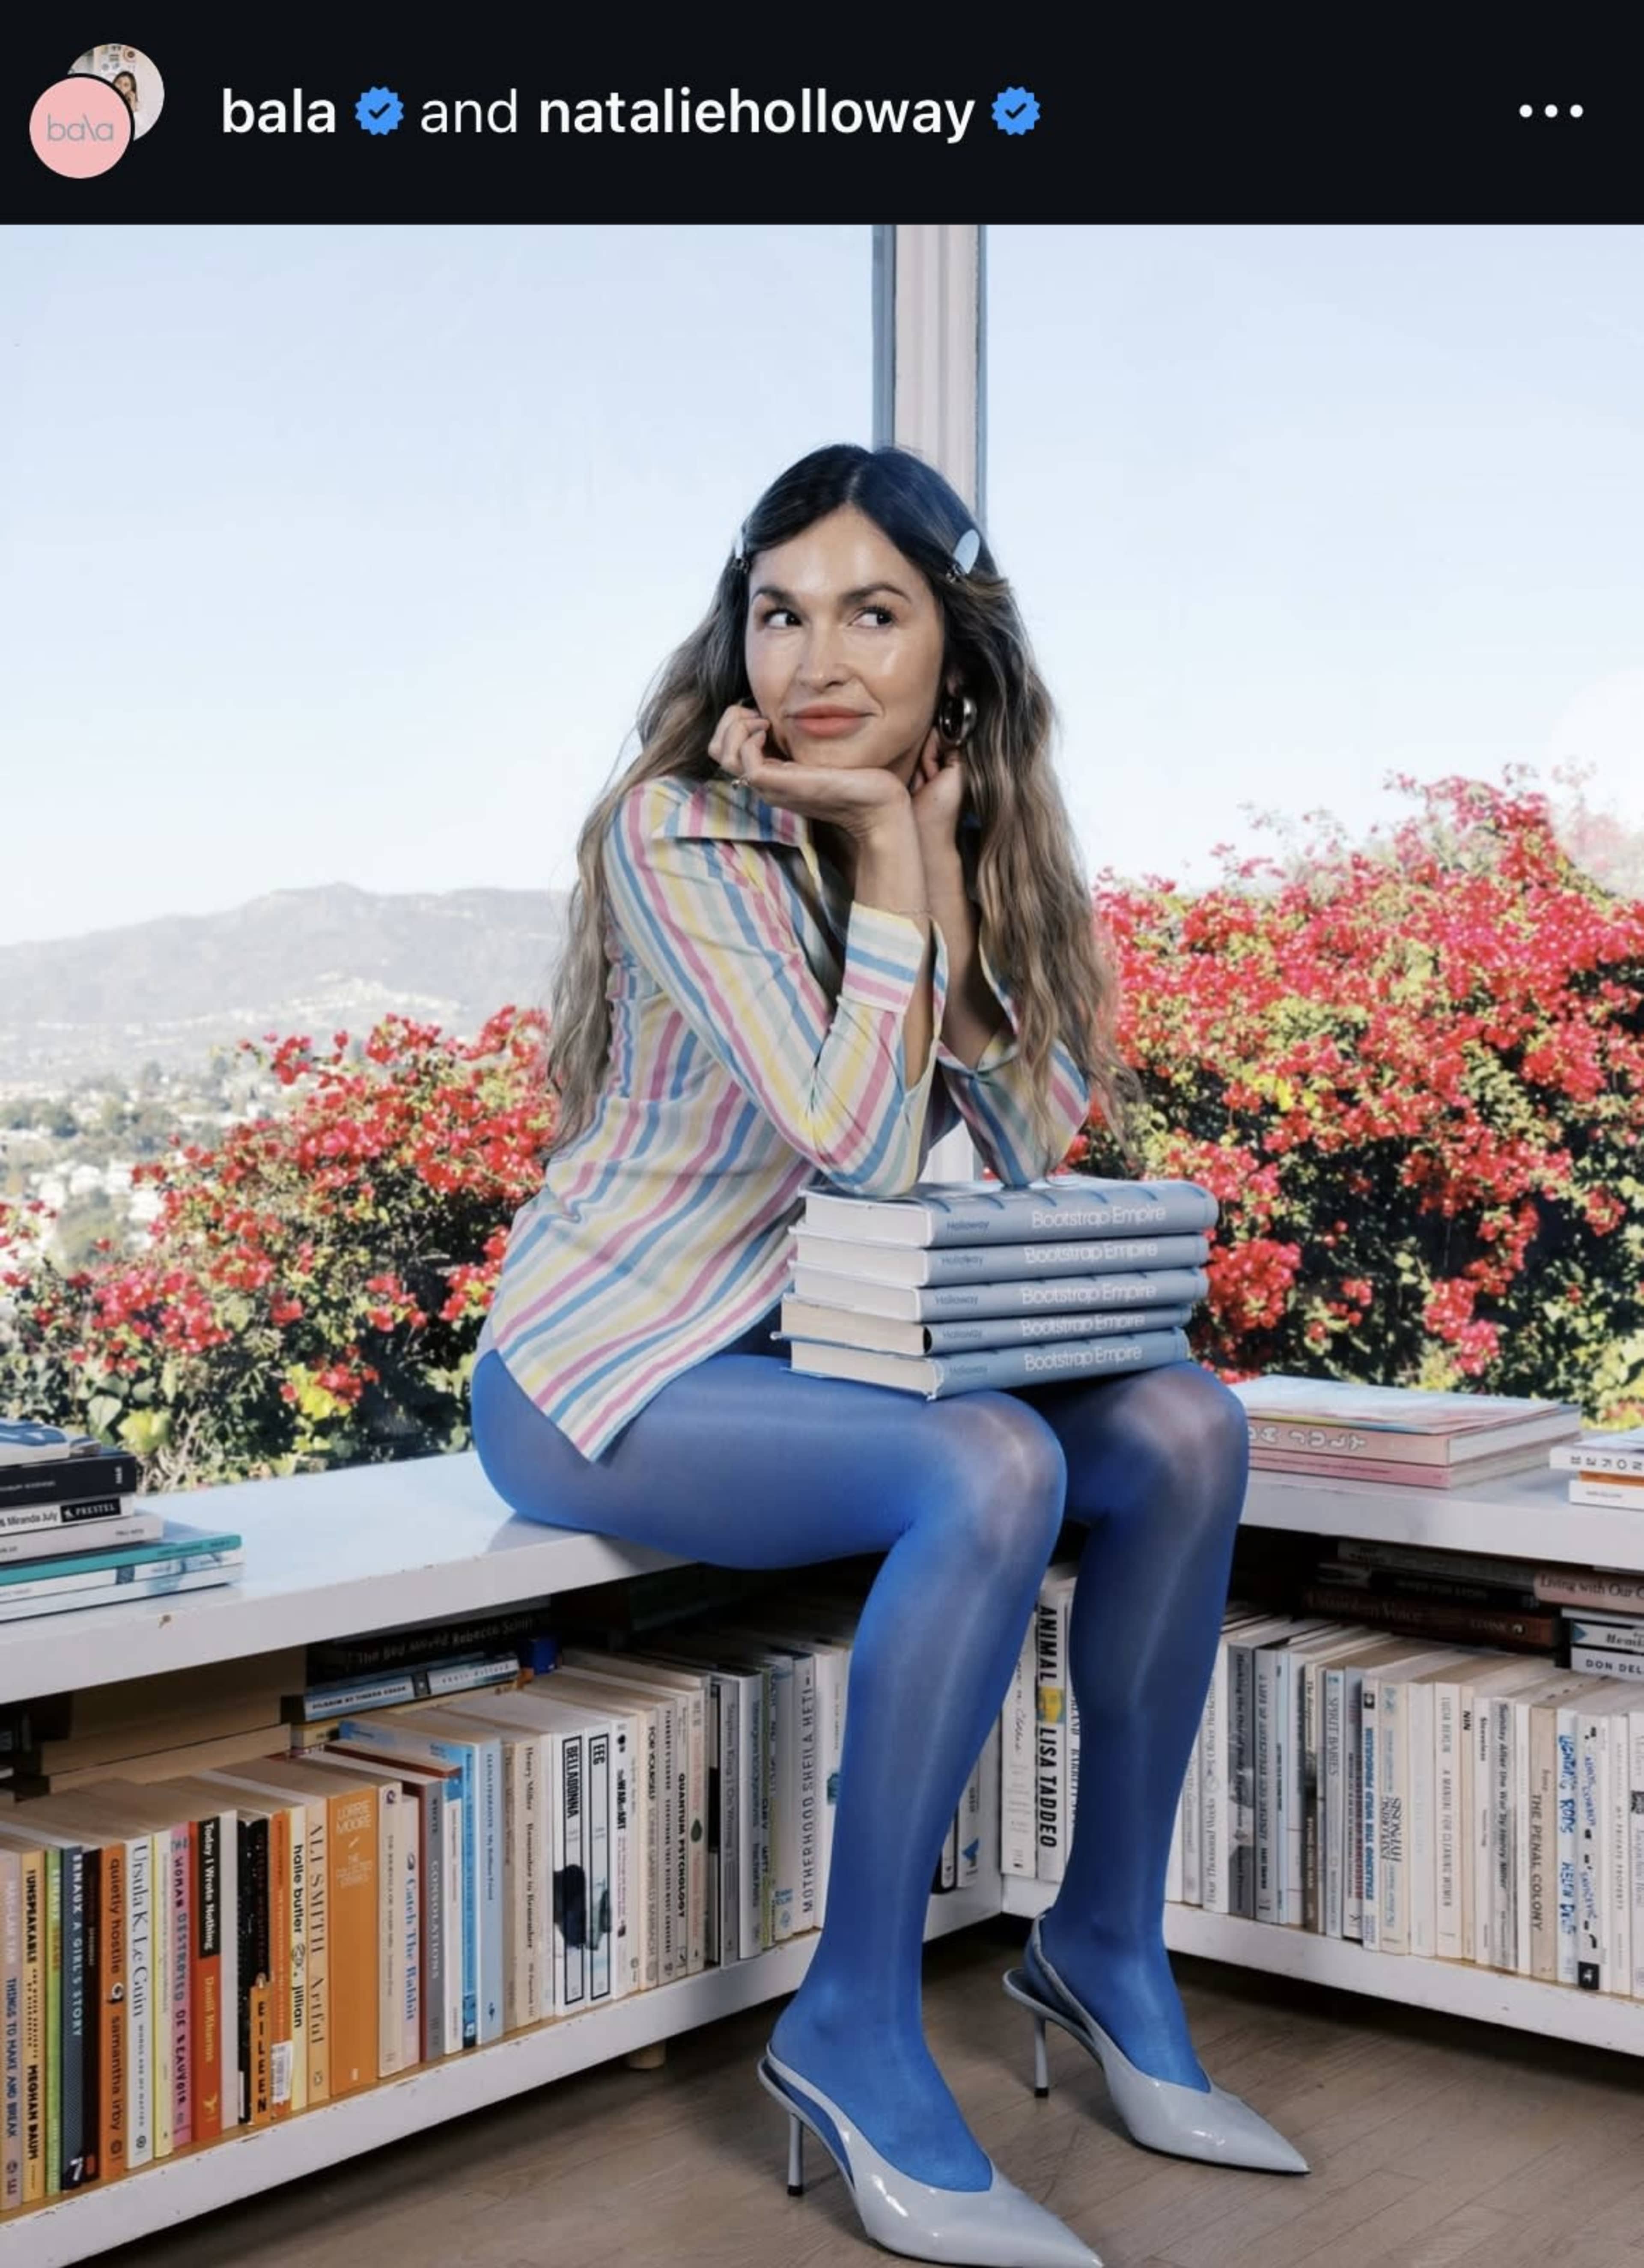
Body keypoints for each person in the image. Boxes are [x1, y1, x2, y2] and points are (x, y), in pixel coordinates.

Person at [468, 442, 1307, 2267]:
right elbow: (860, 1137)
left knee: (1181, 1420)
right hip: (610, 1364)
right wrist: (888, 840)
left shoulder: (976, 823)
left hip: (817, 1348)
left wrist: (930, 842)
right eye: (779, 610)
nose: (812, 658)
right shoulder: (682, 827)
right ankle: (852, 2019)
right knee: (991, 1460)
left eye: (871, 608)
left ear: (957, 650)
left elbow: (1022, 1130)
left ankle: (1102, 1943)